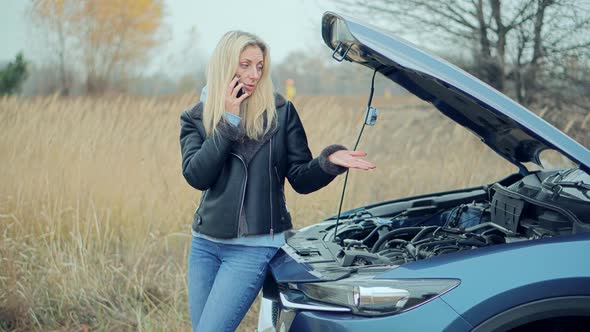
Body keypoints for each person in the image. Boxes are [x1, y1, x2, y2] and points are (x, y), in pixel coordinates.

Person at [179, 30, 376, 332]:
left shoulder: (281, 113)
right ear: (224, 65)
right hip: (205, 244)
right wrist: (227, 121)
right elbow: (197, 175)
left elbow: (300, 178)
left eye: (259, 66)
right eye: (245, 65)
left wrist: (328, 163)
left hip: (254, 246)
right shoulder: (196, 117)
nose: (254, 74)